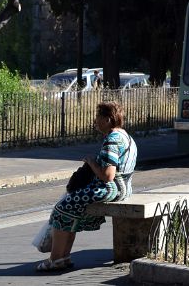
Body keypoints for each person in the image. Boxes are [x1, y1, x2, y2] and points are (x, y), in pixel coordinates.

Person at [36, 101, 137, 272]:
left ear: (108, 119)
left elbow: (107, 176)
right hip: (124, 188)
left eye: (98, 117)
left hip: (110, 189)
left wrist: (91, 162)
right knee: (71, 209)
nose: (95, 121)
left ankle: (55, 259)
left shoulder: (112, 140)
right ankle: (63, 257)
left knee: (63, 208)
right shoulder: (125, 135)